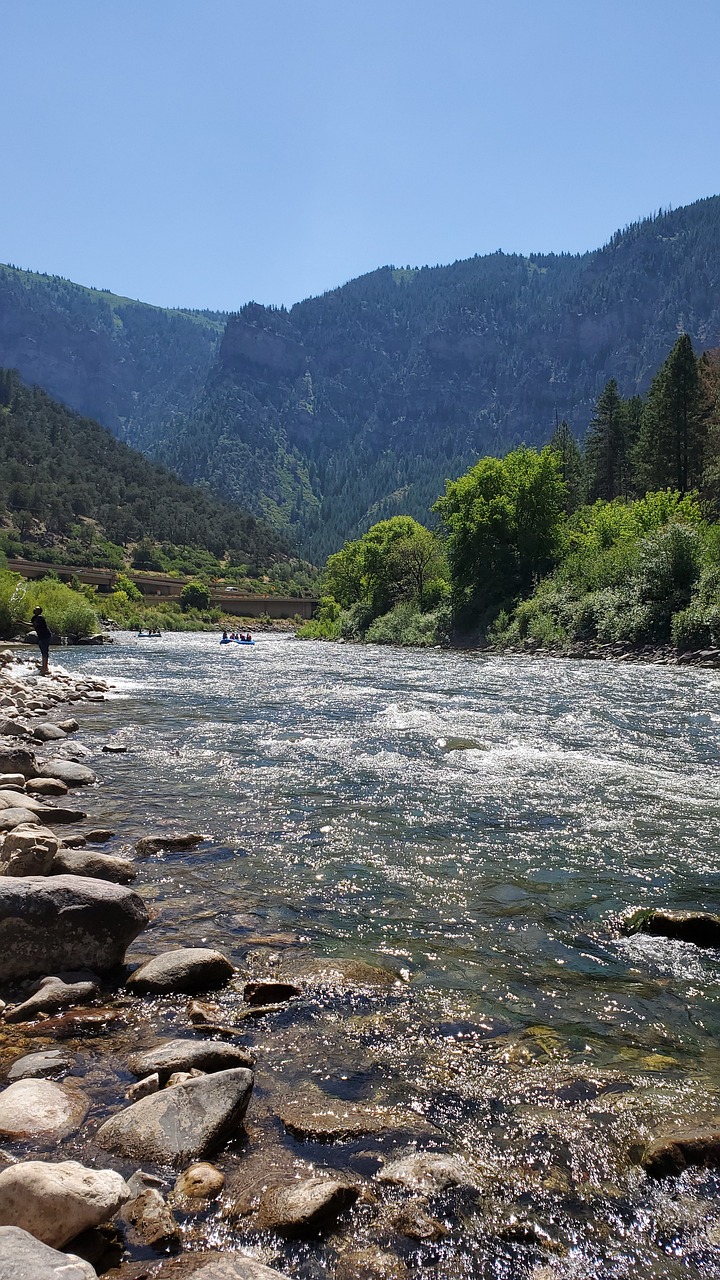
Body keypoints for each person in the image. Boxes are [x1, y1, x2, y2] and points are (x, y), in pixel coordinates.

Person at [32, 606, 51, 676]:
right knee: (43, 651)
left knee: (45, 651)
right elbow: (31, 626)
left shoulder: (40, 617)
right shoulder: (34, 617)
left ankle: (45, 668)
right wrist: (21, 623)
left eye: (36, 609)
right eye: (35, 609)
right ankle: (44, 666)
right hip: (40, 636)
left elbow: (33, 625)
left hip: (46, 636)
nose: (34, 610)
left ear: (39, 611)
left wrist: (21, 623)